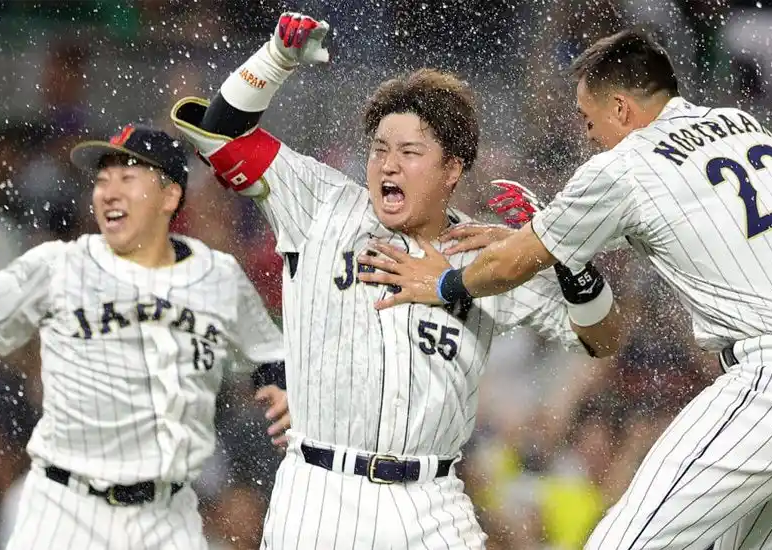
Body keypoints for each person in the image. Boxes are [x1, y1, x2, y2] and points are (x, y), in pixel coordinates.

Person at [362, 29, 772, 550]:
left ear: (620, 108)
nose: (588, 136)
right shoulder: (743, 125)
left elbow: (512, 265)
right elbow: (673, 223)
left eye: (589, 119)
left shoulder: (626, 164)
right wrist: (530, 239)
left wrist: (445, 282)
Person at [169, 12, 617, 549]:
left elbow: (601, 337)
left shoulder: (489, 257)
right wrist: (277, 57)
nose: (388, 165)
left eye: (409, 153)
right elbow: (218, 132)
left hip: (431, 503)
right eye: (380, 149)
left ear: (452, 169)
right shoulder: (321, 205)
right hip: (319, 493)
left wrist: (564, 254)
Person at [0, 124, 291, 550]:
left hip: (165, 515)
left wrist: (279, 388)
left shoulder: (218, 276)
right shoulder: (60, 266)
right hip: (68, 510)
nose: (108, 193)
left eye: (127, 178)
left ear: (169, 196)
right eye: (102, 180)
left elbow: (270, 355)